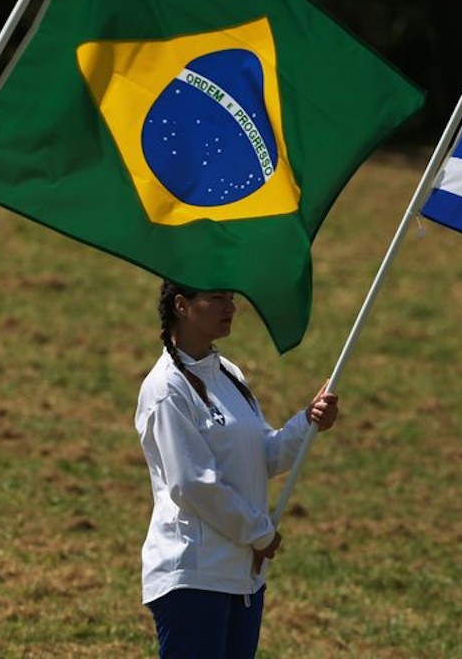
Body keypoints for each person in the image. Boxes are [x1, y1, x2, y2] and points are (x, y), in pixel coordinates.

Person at [135, 279, 339, 658]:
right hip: (193, 575)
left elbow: (264, 455)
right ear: (181, 305)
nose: (230, 308)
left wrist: (308, 422)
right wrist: (260, 533)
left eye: (231, 299)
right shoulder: (166, 388)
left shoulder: (228, 373)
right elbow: (192, 484)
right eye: (216, 299)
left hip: (240, 576)